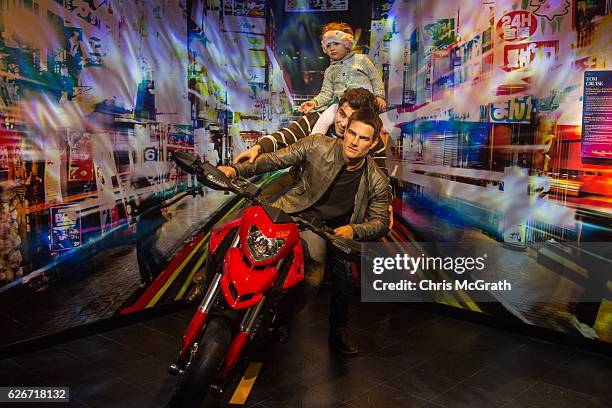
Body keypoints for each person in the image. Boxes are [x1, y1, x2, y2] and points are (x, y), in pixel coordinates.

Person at [219, 109, 390, 355]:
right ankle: (213, 293)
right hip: (291, 212)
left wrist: (354, 229)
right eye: (351, 133)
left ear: (373, 143)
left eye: (363, 138)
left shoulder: (377, 179)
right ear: (344, 130)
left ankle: (289, 320)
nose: (354, 142)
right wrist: (236, 171)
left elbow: (380, 221)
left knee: (316, 278)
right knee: (232, 234)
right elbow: (274, 160)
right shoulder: (318, 145)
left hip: (326, 231)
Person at [299, 22, 386, 114]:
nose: (332, 48)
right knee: (324, 119)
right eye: (328, 45)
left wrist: (379, 96)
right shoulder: (330, 71)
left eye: (336, 44)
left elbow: (376, 79)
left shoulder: (362, 59)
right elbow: (326, 93)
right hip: (342, 108)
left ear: (347, 44)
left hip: (365, 105)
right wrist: (314, 102)